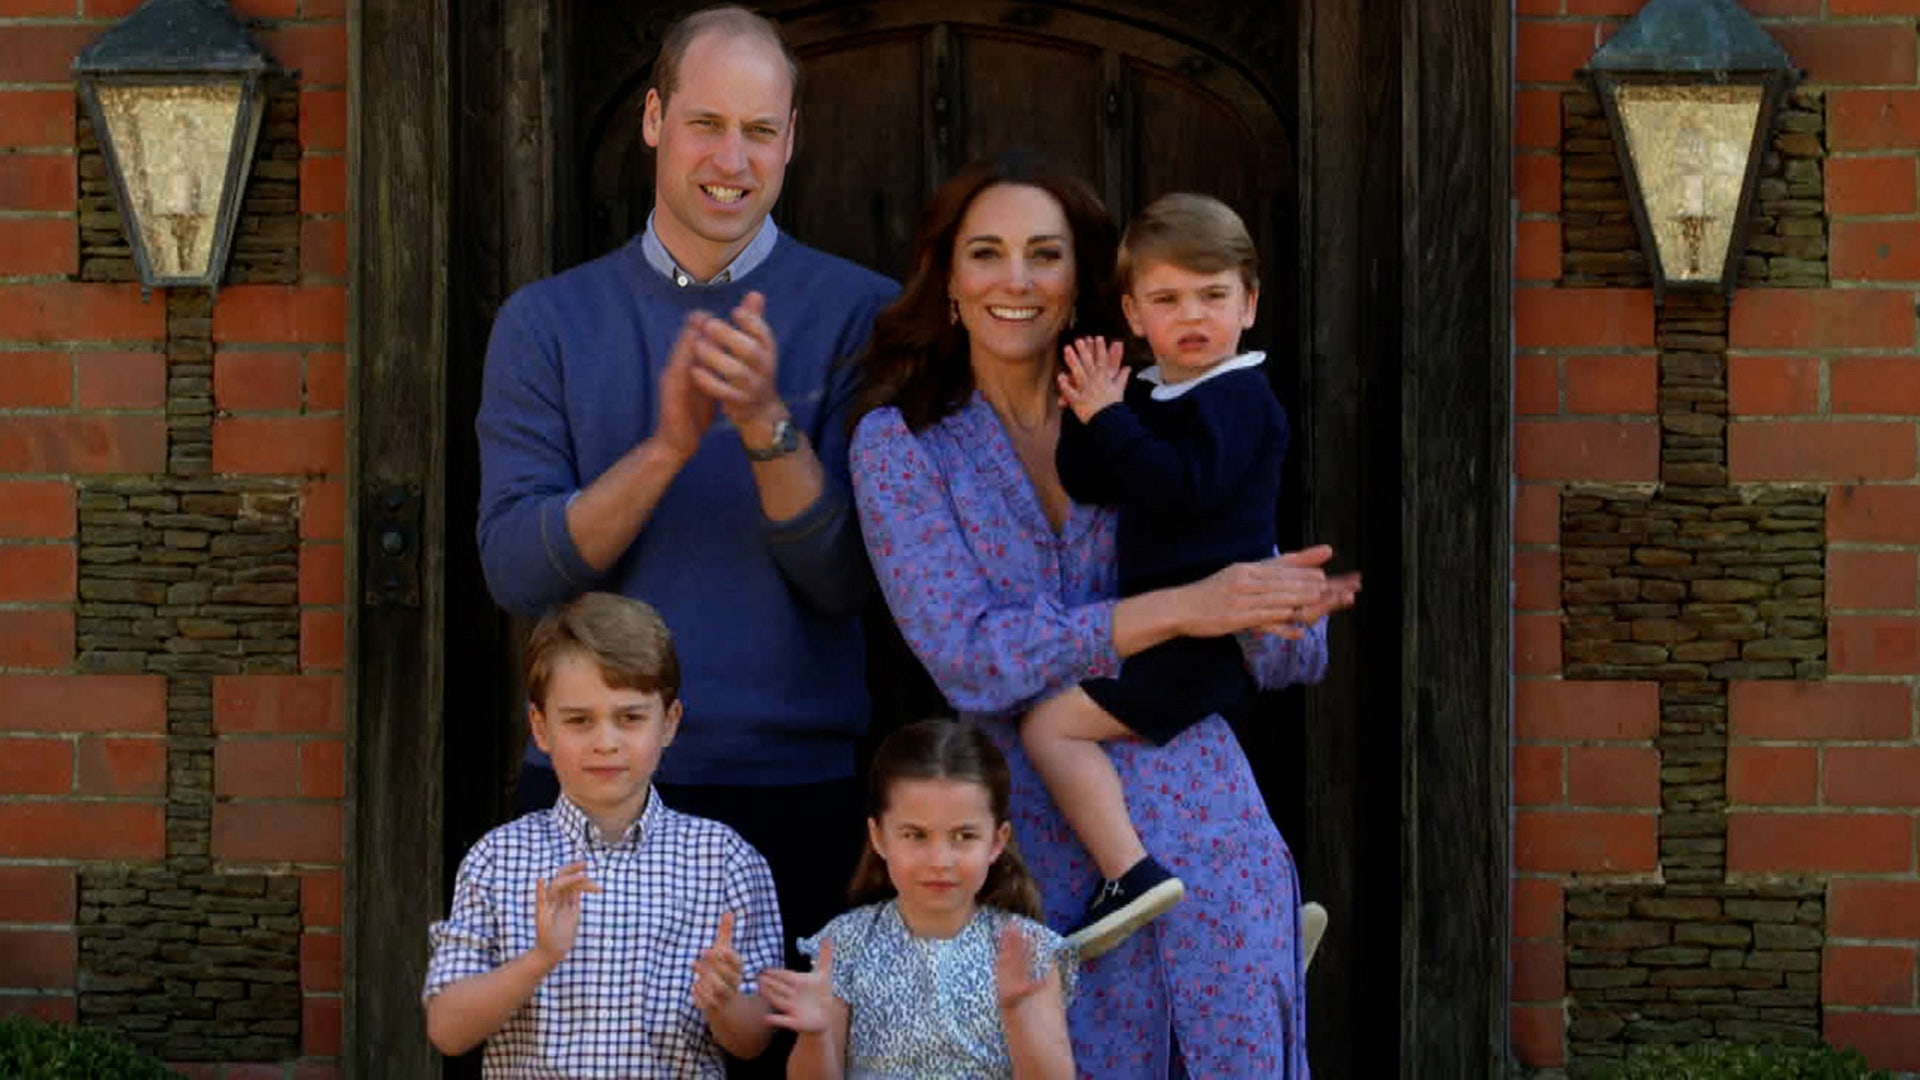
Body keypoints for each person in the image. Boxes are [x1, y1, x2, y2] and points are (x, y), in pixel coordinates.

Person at [847, 153, 1358, 1077]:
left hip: (1208, 824)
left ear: (1081, 282)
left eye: (1043, 255)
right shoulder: (903, 445)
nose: (1016, 280)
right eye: (987, 254)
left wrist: (1282, 607)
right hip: (1029, 847)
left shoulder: (1157, 405)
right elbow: (970, 657)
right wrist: (1181, 609)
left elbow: (1280, 646)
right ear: (949, 281)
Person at [473, 3, 898, 1000]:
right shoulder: (546, 322)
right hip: (594, 794)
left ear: (792, 138)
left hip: (798, 794)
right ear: (655, 118)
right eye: (708, 123)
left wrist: (763, 427)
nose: (733, 158)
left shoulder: (863, 316)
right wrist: (666, 448)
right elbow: (518, 570)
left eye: (760, 131)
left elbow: (849, 581)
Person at [1023, 193, 1290, 958]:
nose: (1193, 316)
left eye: (1213, 296)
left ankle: (1129, 874)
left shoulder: (1241, 397)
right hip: (1165, 631)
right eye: (1168, 299)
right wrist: (1089, 409)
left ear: (1250, 303)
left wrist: (1113, 417)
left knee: (1050, 726)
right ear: (1135, 315)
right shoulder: (1154, 393)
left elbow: (1182, 488)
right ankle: (1254, 920)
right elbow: (1093, 480)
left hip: (1203, 643)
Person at [422, 592, 783, 1077]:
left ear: (669, 723)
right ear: (541, 728)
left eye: (630, 717)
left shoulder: (724, 861)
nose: (606, 741)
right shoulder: (498, 859)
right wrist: (540, 958)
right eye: (578, 720)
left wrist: (723, 1004)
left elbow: (755, 1040)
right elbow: (447, 1029)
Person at [760, 720, 1075, 1080]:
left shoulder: (1026, 949)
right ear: (878, 837)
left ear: (997, 842)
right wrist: (815, 1035)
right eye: (916, 835)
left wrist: (1019, 1014)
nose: (940, 860)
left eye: (964, 835)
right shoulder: (845, 943)